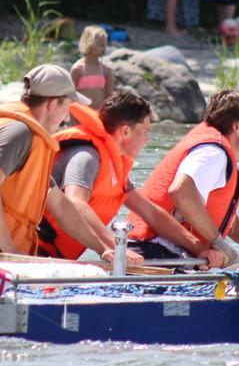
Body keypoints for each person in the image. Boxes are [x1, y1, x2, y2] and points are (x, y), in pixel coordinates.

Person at [0, 64, 116, 261]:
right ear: (52, 104)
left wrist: (101, 248)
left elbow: (60, 205)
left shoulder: (34, 139)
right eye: (67, 107)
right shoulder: (18, 132)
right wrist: (8, 250)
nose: (67, 117)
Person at [38, 92, 225, 267]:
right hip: (32, 253)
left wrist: (199, 248)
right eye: (145, 131)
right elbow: (75, 202)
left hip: (56, 259)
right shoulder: (86, 156)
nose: (147, 139)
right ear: (125, 131)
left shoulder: (115, 166)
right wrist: (117, 248)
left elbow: (152, 213)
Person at [126, 88, 239, 268]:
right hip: (154, 252)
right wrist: (217, 242)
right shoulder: (213, 153)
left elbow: (230, 224)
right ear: (236, 127)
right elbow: (181, 190)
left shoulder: (213, 150)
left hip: (151, 250)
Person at [69, 26, 115, 110]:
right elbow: (71, 97)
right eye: (101, 45)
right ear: (90, 45)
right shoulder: (78, 69)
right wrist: (73, 120)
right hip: (82, 114)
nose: (105, 48)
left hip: (100, 114)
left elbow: (109, 96)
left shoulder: (105, 70)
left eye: (105, 45)